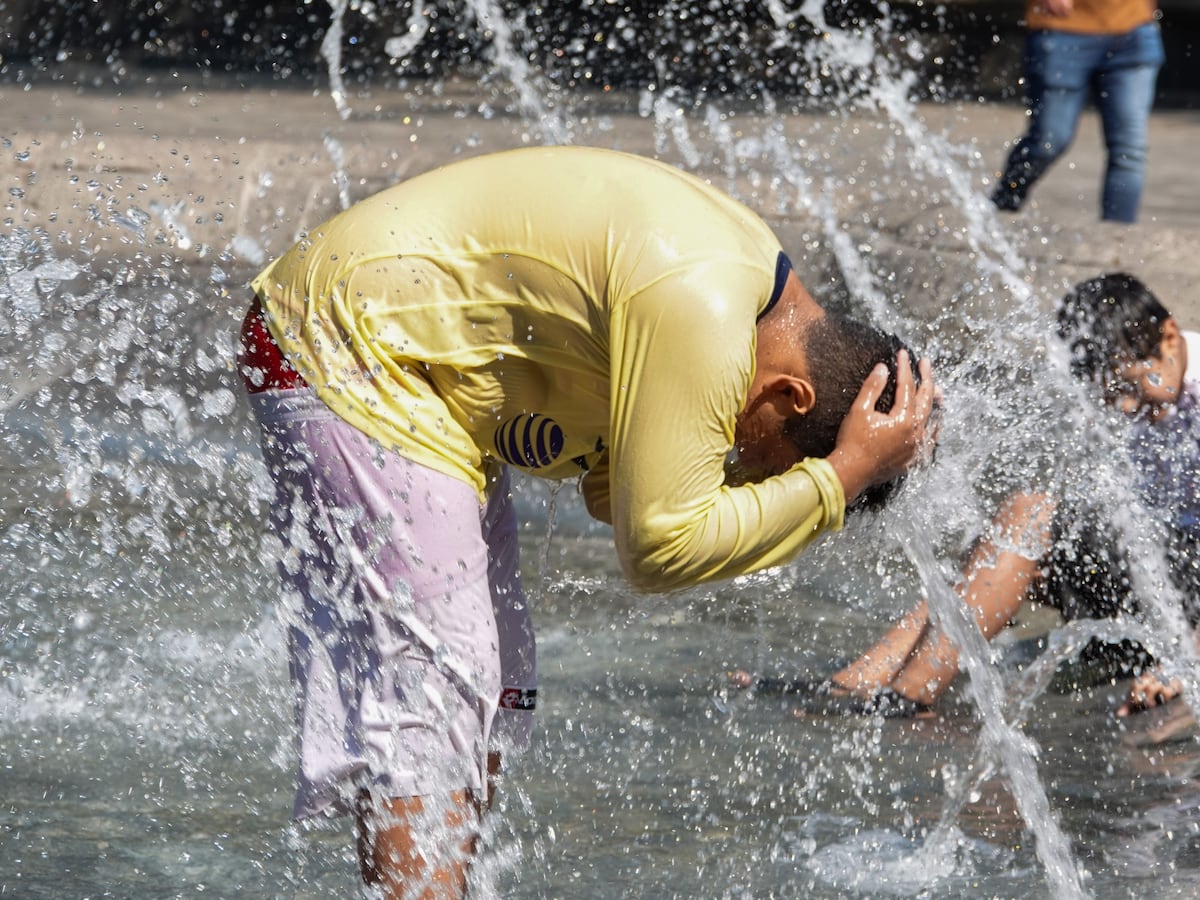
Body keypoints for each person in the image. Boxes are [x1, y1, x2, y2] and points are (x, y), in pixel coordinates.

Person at [236, 146, 939, 898]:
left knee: (500, 682)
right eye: (768, 466)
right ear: (792, 397)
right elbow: (660, 547)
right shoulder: (702, 307)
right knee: (437, 683)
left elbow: (616, 496)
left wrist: (831, 475)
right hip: (345, 340)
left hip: (420, 380)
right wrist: (841, 476)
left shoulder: (750, 312)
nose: (743, 471)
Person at [738, 272, 1199, 719]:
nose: (1123, 407)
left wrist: (1184, 660)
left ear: (1171, 338)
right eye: (1111, 393)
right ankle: (860, 680)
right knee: (998, 547)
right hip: (1155, 586)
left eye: (1131, 383)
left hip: (1186, 609)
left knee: (1030, 516)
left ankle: (909, 696)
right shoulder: (1146, 403)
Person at [989, 0, 1165, 223]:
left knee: (1129, 152)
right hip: (1062, 29)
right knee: (1048, 143)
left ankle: (1118, 245)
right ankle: (999, 209)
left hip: (1134, 31)